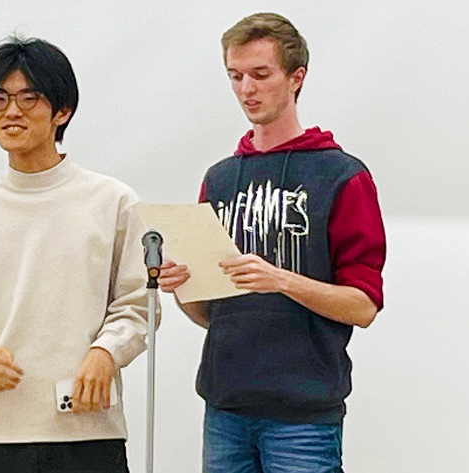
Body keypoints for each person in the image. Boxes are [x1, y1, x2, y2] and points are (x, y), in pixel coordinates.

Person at [0, 34, 157, 473]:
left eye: (30, 98)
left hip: (88, 431)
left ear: (62, 111)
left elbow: (140, 302)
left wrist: (106, 352)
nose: (11, 112)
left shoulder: (112, 201)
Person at [159, 12, 386, 473]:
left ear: (296, 77)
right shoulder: (219, 179)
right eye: (235, 76)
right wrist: (182, 287)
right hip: (225, 408)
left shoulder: (343, 176)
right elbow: (212, 315)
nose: (247, 89)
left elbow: (362, 306)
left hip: (303, 417)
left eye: (261, 74)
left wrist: (281, 280)